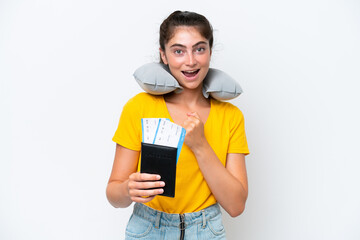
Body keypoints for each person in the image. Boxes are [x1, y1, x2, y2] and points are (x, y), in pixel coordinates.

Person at [106, 10, 249, 239]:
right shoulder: (138, 108)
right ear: (164, 55)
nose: (190, 61)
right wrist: (127, 189)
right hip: (148, 228)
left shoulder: (231, 116)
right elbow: (113, 194)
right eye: (178, 51)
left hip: (206, 230)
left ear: (210, 52)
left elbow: (236, 205)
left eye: (199, 49)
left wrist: (200, 145)